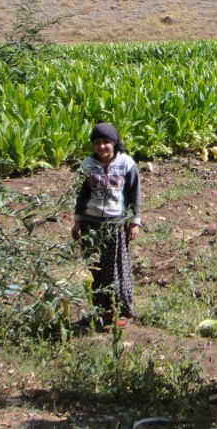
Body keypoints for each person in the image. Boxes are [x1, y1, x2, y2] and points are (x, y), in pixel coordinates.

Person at [71, 122, 141, 328]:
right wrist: (76, 222)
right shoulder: (86, 165)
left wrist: (134, 222)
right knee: (94, 269)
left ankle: (119, 311)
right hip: (90, 224)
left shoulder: (127, 164)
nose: (101, 147)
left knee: (115, 268)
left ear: (114, 143)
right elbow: (80, 195)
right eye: (97, 142)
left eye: (106, 142)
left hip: (115, 224)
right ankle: (98, 312)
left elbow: (134, 195)